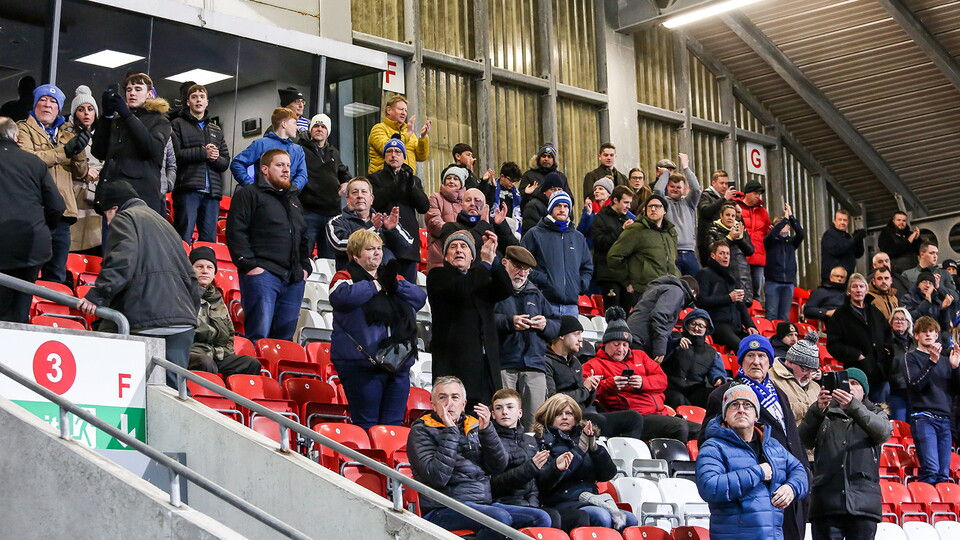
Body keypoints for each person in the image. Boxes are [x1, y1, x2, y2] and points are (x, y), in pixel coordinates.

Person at [77, 181, 199, 388]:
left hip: (147, 317)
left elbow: (122, 261)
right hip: (182, 321)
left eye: (106, 215)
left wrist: (98, 295)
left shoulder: (125, 218)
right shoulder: (165, 224)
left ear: (114, 208)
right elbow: (192, 277)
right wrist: (190, 313)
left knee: (128, 386)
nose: (107, 222)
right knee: (175, 393)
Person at [408, 376, 551, 539]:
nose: (449, 403)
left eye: (455, 397)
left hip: (483, 504)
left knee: (540, 518)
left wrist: (488, 431)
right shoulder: (421, 430)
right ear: (433, 404)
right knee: (499, 518)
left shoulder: (474, 425)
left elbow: (498, 466)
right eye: (442, 398)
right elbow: (437, 477)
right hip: (442, 506)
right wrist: (451, 431)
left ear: (463, 403)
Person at [700, 336, 810, 540]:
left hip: (787, 492)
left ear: (770, 362)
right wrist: (754, 471)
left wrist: (796, 482)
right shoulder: (722, 394)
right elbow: (707, 440)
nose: (756, 361)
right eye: (750, 355)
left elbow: (791, 438)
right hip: (748, 500)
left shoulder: (779, 393)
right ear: (741, 361)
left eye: (762, 356)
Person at [329, 229, 426, 429]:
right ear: (356, 255)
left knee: (393, 426)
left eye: (379, 248)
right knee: (367, 423)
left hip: (397, 364)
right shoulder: (344, 276)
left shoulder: (393, 278)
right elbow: (341, 297)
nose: (377, 253)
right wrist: (376, 285)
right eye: (370, 249)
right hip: (361, 365)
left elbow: (419, 298)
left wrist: (394, 285)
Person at [225, 149, 311, 343]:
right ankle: (254, 374)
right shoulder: (248, 194)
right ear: (264, 169)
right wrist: (249, 266)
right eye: (280, 165)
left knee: (283, 342)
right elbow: (236, 232)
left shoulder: (294, 200)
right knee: (258, 336)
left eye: (288, 166)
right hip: (263, 275)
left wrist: (305, 267)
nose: (286, 170)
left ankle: (273, 375)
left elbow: (303, 237)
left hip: (294, 278)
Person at [799, 368, 891, 540]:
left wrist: (853, 407)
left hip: (862, 505)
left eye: (855, 384)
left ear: (865, 391)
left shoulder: (876, 413)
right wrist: (817, 411)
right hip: (826, 504)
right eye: (846, 382)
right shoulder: (823, 412)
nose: (849, 387)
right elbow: (802, 441)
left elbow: (883, 433)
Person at [584, 308, 699, 441]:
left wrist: (643, 383)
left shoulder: (640, 356)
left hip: (660, 413)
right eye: (616, 344)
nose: (621, 349)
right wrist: (610, 384)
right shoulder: (593, 364)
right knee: (679, 427)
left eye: (625, 345)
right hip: (635, 419)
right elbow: (586, 392)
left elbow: (662, 380)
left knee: (702, 431)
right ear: (605, 344)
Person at [427, 231, 512, 405]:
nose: (459, 250)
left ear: (472, 257)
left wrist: (493, 260)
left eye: (463, 246)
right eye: (453, 247)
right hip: (455, 366)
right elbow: (462, 289)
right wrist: (485, 264)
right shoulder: (438, 276)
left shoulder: (481, 279)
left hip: (485, 367)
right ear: (446, 256)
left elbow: (505, 289)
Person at [533, 394, 639, 531]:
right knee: (602, 516)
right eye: (558, 414)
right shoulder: (542, 442)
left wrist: (595, 450)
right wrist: (580, 450)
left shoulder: (585, 437)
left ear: (576, 417)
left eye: (569, 413)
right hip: (562, 500)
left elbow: (607, 474)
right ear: (548, 417)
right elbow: (545, 481)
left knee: (630, 518)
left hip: (590, 498)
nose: (564, 417)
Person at [17, 83, 88, 284]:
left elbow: (81, 173)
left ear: (59, 109)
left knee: (56, 275)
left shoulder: (67, 134)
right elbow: (28, 161)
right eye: (43, 100)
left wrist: (79, 149)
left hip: (63, 214)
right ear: (35, 104)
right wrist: (64, 152)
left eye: (53, 102)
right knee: (27, 273)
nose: (48, 105)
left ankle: (53, 315)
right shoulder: (22, 129)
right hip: (36, 212)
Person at [0, 116, 66, 322]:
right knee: (20, 307)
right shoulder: (34, 162)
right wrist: (46, 229)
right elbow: (57, 206)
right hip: (32, 245)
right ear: (16, 136)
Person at [490, 389, 584, 531]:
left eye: (509, 407)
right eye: (499, 408)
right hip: (505, 503)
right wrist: (531, 467)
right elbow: (495, 484)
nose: (504, 412)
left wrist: (555, 469)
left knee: (578, 516)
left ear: (520, 413)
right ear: (493, 414)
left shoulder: (530, 440)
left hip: (532, 503)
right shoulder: (490, 440)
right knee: (550, 516)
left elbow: (540, 483)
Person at [544, 316, 645, 439]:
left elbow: (586, 401)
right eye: (576, 334)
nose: (581, 339)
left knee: (634, 418)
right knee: (597, 420)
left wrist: (592, 389)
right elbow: (553, 399)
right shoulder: (546, 361)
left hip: (581, 412)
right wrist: (585, 390)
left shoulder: (575, 361)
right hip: (563, 416)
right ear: (562, 336)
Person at [494, 246, 560, 430]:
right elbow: (484, 320)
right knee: (505, 421)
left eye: (526, 270)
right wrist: (509, 322)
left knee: (534, 424)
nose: (521, 273)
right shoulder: (495, 290)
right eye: (517, 267)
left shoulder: (535, 294)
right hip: (505, 364)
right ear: (505, 262)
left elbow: (556, 325)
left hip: (534, 366)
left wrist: (545, 324)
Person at [91, 73, 171, 215]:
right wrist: (107, 117)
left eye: (138, 89)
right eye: (129, 90)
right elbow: (99, 151)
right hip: (112, 198)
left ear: (150, 94)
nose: (132, 93)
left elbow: (152, 149)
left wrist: (128, 115)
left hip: (141, 197)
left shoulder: (160, 121)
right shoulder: (117, 120)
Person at [169, 84, 230, 243]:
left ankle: (205, 268)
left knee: (209, 241)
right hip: (187, 189)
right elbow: (175, 155)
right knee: (183, 236)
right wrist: (204, 153)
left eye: (202, 97)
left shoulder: (215, 129)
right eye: (194, 97)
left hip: (212, 194)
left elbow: (225, 162)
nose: (198, 100)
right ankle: (181, 268)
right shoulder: (177, 124)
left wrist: (215, 157)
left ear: (207, 102)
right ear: (188, 102)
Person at [186, 247, 260, 377]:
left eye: (209, 267)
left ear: (214, 272)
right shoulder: (183, 295)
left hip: (218, 354)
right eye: (199, 267)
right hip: (193, 352)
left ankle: (230, 396)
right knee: (205, 362)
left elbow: (229, 333)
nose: (204, 271)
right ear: (190, 269)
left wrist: (226, 352)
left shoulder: (217, 298)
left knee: (251, 363)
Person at [904, 316, 960, 485]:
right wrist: (931, 362)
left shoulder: (945, 361)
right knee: (931, 469)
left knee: (943, 473)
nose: (928, 334)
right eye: (923, 331)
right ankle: (924, 501)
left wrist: (956, 369)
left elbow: (956, 391)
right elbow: (915, 384)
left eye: (931, 331)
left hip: (944, 420)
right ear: (916, 335)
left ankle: (940, 511)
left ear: (937, 335)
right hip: (923, 418)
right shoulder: (910, 357)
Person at [520, 190, 593, 316]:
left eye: (566, 206)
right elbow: (521, 263)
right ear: (551, 208)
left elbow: (587, 267)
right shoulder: (535, 234)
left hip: (571, 307)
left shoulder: (578, 237)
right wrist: (544, 281)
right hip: (543, 302)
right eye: (558, 205)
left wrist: (580, 285)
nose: (562, 209)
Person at [368, 135, 430, 282]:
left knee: (407, 289)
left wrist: (411, 186)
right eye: (389, 151)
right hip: (385, 242)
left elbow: (424, 207)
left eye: (397, 152)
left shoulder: (413, 180)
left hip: (409, 244)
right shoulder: (374, 178)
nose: (393, 155)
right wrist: (395, 185)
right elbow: (374, 203)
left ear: (404, 157)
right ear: (384, 157)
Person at [826, 273, 893, 404]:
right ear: (849, 291)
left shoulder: (875, 311)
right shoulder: (840, 315)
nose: (858, 290)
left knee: (880, 414)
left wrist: (886, 352)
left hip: (880, 374)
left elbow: (888, 335)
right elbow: (833, 345)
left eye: (861, 286)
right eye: (854, 286)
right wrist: (857, 355)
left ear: (866, 290)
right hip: (856, 375)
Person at [326, 177, 414, 271]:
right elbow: (338, 244)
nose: (360, 196)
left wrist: (392, 229)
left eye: (364, 192)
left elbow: (407, 246)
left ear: (371, 199)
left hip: (386, 280)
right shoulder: (336, 222)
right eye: (354, 192)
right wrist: (372, 229)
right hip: (353, 281)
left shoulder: (384, 220)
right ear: (347, 199)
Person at [296, 113, 352, 259]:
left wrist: (346, 182)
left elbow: (343, 171)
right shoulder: (299, 149)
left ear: (328, 132)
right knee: (303, 257)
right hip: (308, 212)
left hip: (331, 214)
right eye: (316, 126)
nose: (319, 129)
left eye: (323, 127)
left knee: (329, 261)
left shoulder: (334, 152)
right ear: (310, 129)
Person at [607, 194, 680, 296]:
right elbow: (614, 256)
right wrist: (627, 282)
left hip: (669, 287)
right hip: (645, 289)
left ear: (665, 211)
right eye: (649, 206)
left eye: (657, 206)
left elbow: (673, 258)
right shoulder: (636, 229)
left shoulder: (670, 232)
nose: (653, 209)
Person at [696, 241, 758, 352]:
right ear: (713, 256)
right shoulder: (704, 274)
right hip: (717, 325)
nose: (726, 257)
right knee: (744, 348)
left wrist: (750, 325)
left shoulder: (732, 277)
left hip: (736, 326)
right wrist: (728, 298)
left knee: (759, 346)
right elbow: (701, 301)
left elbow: (741, 305)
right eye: (722, 253)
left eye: (728, 254)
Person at [229, 107, 308, 191]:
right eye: (294, 123)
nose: (297, 127)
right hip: (264, 198)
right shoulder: (261, 144)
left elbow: (302, 174)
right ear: (284, 124)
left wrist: (291, 190)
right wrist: (251, 186)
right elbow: (237, 164)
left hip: (286, 199)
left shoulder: (298, 150)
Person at [661, 309, 726, 408]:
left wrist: (718, 378)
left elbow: (717, 371)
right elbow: (661, 355)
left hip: (694, 390)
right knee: (678, 398)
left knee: (713, 397)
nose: (696, 328)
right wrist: (675, 343)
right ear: (687, 324)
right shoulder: (675, 338)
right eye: (693, 324)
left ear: (706, 329)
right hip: (670, 387)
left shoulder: (711, 351)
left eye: (701, 326)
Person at [626, 274, 699, 362]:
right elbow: (659, 316)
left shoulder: (660, 288)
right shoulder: (676, 291)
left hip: (633, 335)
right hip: (640, 340)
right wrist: (660, 349)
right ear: (693, 292)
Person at [653, 153, 701, 276]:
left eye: (678, 187)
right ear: (667, 187)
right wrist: (666, 174)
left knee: (694, 289)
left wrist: (686, 167)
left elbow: (696, 189)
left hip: (690, 253)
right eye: (672, 186)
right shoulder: (664, 204)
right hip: (672, 253)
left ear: (684, 189)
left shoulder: (689, 203)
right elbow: (658, 190)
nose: (675, 189)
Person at [69, 85, 103, 254]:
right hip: (76, 194)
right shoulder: (67, 134)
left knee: (96, 245)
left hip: (98, 197)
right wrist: (86, 169)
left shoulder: (104, 135)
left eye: (90, 109)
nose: (86, 113)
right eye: (81, 109)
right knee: (75, 244)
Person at [439, 188, 518, 260]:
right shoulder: (450, 227)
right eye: (468, 200)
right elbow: (466, 247)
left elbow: (516, 252)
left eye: (477, 200)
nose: (473, 204)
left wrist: (501, 225)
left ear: (485, 206)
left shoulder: (494, 226)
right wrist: (483, 224)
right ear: (461, 205)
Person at [591, 185, 635, 310]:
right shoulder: (600, 218)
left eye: (630, 203)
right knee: (613, 314)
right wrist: (622, 231)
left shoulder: (627, 219)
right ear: (615, 200)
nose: (629, 206)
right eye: (626, 202)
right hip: (608, 274)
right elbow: (600, 243)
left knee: (626, 314)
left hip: (625, 276)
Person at [704, 202, 755, 304]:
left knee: (744, 305)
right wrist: (729, 238)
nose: (730, 218)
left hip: (742, 275)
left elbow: (750, 251)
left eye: (733, 216)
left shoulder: (740, 230)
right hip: (722, 275)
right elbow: (711, 250)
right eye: (727, 215)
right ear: (721, 216)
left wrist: (740, 239)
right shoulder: (713, 231)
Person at [367, 95, 430, 174]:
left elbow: (421, 157)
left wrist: (422, 137)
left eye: (406, 111)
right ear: (389, 110)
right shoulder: (378, 129)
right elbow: (386, 147)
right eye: (401, 109)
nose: (404, 113)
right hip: (383, 181)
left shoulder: (408, 131)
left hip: (406, 181)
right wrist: (407, 134)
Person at [769, 332, 822, 427]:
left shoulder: (816, 387)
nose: (809, 375)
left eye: (813, 370)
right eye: (804, 369)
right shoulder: (771, 379)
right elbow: (778, 412)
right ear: (789, 362)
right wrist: (813, 407)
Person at [764, 205, 805, 321]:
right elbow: (772, 235)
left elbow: (801, 234)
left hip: (788, 282)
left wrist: (791, 217)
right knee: (771, 314)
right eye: (781, 225)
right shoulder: (770, 241)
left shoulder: (791, 242)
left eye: (786, 225)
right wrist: (784, 220)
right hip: (773, 281)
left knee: (784, 316)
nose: (784, 227)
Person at [424, 166, 466, 270]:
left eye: (456, 179)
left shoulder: (466, 200)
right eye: (449, 178)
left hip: (463, 254)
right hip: (439, 253)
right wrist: (458, 233)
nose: (451, 181)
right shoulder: (435, 197)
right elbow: (433, 222)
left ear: (462, 183)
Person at [736, 180, 771, 299]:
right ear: (747, 193)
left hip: (758, 257)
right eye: (756, 193)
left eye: (759, 194)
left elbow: (767, 232)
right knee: (740, 290)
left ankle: (756, 316)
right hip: (740, 256)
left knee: (756, 291)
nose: (758, 197)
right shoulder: (737, 207)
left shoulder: (763, 212)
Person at [903, 242, 959, 307]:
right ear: (922, 255)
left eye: (937, 253)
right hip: (919, 312)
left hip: (943, 313)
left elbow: (956, 297)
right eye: (932, 253)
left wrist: (939, 287)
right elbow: (905, 298)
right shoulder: (908, 274)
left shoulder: (944, 273)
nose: (935, 256)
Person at [697, 169, 734, 261]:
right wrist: (724, 199)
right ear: (713, 183)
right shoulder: (706, 195)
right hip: (708, 241)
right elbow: (705, 211)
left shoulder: (725, 199)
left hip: (723, 240)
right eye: (721, 183)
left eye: (726, 183)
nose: (724, 186)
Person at [478, 161, 524, 237]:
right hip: (494, 227)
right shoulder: (491, 187)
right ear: (502, 176)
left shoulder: (516, 194)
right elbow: (485, 203)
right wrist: (484, 182)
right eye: (510, 180)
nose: (513, 184)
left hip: (510, 229)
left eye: (515, 181)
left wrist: (527, 195)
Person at [819, 209, 865, 282]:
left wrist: (859, 240)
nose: (842, 222)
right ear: (834, 221)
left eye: (845, 220)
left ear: (848, 222)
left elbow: (858, 254)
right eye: (840, 220)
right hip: (833, 280)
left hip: (847, 279)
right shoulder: (829, 235)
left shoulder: (848, 237)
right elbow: (838, 250)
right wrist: (855, 239)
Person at [887, 307, 914, 422]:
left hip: (913, 392)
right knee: (899, 423)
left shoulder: (915, 342)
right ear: (891, 322)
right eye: (896, 319)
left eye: (903, 319)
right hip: (895, 391)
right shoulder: (886, 342)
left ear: (908, 324)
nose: (899, 322)